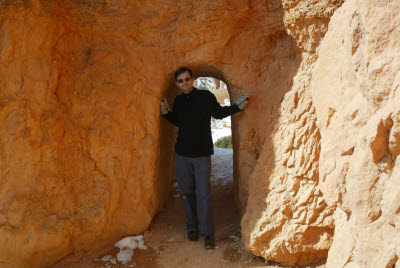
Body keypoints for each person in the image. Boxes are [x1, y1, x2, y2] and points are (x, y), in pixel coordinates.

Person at [160, 67, 249, 249]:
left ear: (192, 79)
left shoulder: (206, 97)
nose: (184, 83)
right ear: (177, 83)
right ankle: (192, 228)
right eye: (180, 80)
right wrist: (166, 112)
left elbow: (218, 113)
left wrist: (238, 107)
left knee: (203, 194)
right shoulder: (178, 100)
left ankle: (208, 233)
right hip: (182, 155)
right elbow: (178, 121)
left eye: (187, 79)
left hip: (202, 155)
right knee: (186, 194)